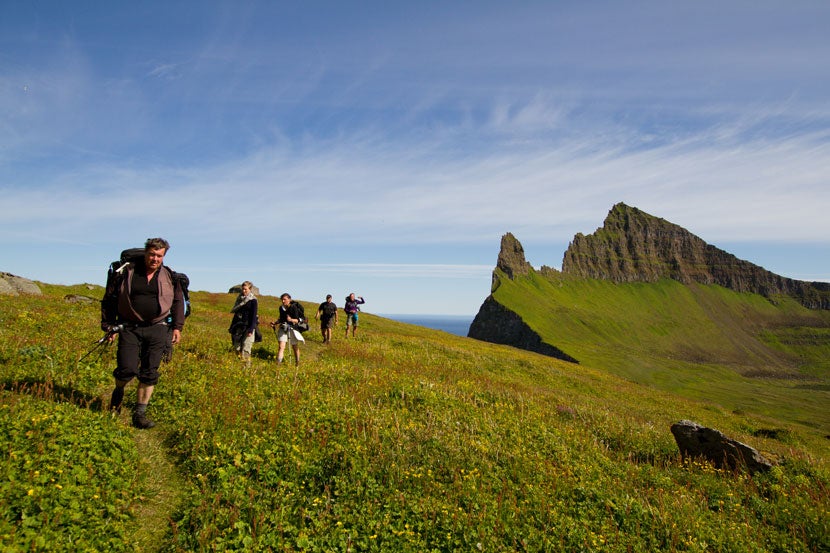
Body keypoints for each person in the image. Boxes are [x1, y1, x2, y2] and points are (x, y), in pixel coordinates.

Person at [101, 237, 185, 429]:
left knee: (149, 372)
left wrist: (178, 327)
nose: (155, 259)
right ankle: (119, 391)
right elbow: (110, 298)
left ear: (164, 256)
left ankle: (139, 414)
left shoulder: (169, 276)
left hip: (158, 327)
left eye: (159, 256)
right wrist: (108, 325)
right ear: (145, 253)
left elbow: (178, 302)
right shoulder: (128, 272)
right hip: (129, 327)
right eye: (152, 254)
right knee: (126, 369)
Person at [229, 281, 258, 367]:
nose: (244, 291)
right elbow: (236, 313)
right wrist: (232, 327)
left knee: (246, 348)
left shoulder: (253, 300)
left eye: (245, 289)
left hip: (248, 326)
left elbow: (253, 315)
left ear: (250, 289)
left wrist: (251, 329)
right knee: (237, 347)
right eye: (243, 289)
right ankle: (240, 365)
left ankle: (247, 368)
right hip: (238, 326)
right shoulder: (239, 299)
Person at [270, 293, 305, 365]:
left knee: (294, 346)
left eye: (285, 299)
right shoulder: (281, 308)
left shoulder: (293, 307)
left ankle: (297, 362)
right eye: (282, 299)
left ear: (289, 299)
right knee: (281, 347)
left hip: (293, 328)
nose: (283, 301)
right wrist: (275, 323)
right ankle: (278, 364)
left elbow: (298, 320)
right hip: (283, 327)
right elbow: (281, 318)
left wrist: (291, 320)